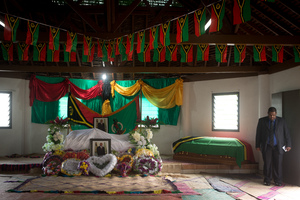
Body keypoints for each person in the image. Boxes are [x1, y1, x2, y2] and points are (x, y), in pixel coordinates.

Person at [255, 107, 292, 186]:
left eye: (274, 115)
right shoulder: (262, 121)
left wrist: (289, 144)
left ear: (276, 114)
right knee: (267, 164)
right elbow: (258, 134)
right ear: (268, 113)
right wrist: (257, 145)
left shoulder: (282, 121)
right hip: (267, 146)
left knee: (278, 164)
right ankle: (267, 180)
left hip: (278, 146)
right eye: (270, 115)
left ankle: (278, 180)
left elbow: (287, 133)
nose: (272, 117)